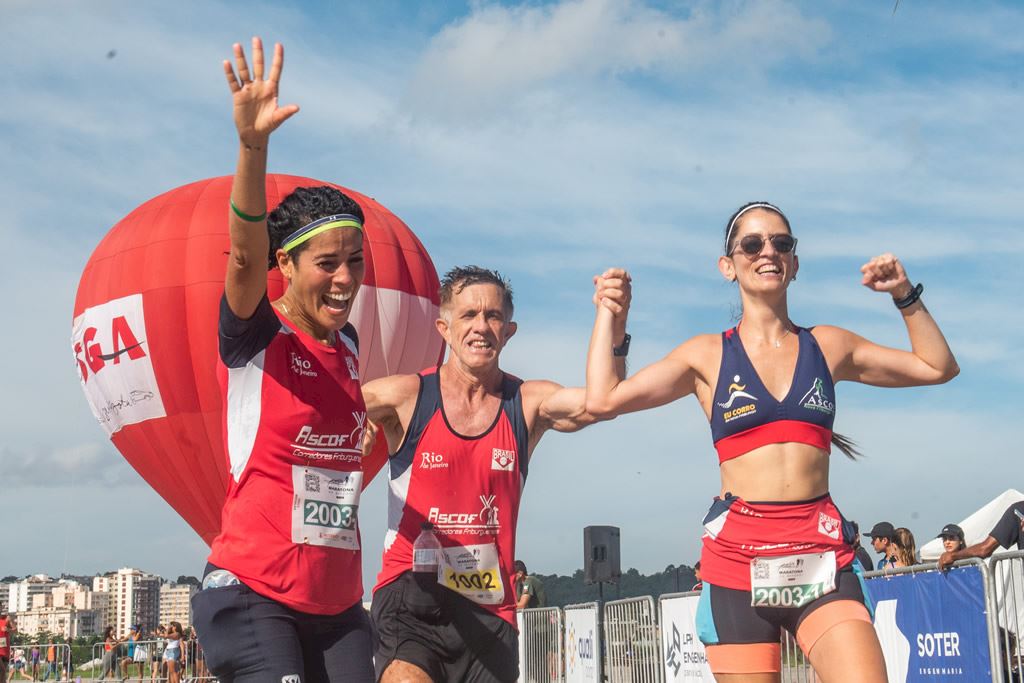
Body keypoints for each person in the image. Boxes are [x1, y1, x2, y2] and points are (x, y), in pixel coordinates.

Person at [585, 201, 958, 682]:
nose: (769, 252)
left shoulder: (828, 345)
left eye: (782, 243)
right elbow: (602, 399)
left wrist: (905, 296)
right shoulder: (707, 354)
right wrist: (611, 316)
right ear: (728, 265)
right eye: (753, 244)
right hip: (738, 563)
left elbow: (937, 367)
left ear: (795, 264)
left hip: (821, 558)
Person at [189, 36, 374, 683]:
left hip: (339, 604)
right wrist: (252, 145)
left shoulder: (348, 346)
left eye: (356, 260)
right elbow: (242, 256)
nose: (345, 278)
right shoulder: (254, 334)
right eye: (328, 262)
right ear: (286, 264)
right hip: (253, 593)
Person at [362, 265, 631, 683]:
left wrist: (613, 322)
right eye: (468, 315)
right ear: (444, 328)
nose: (481, 327)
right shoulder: (406, 396)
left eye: (493, 317)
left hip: (490, 610)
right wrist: (350, 429)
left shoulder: (526, 402)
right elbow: (330, 409)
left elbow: (602, 403)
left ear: (509, 331)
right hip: (412, 599)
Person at [939, 501, 1024, 570]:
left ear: (960, 540)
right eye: (944, 539)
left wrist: (953, 556)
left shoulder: (1018, 509)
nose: (947, 542)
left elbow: (985, 549)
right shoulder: (1018, 510)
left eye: (951, 538)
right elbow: (984, 549)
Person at [0, 610, 13, 683]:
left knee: (3, 674)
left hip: (5, 651)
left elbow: (15, 630)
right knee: (2, 670)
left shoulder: (6, 619)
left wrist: (8, 629)